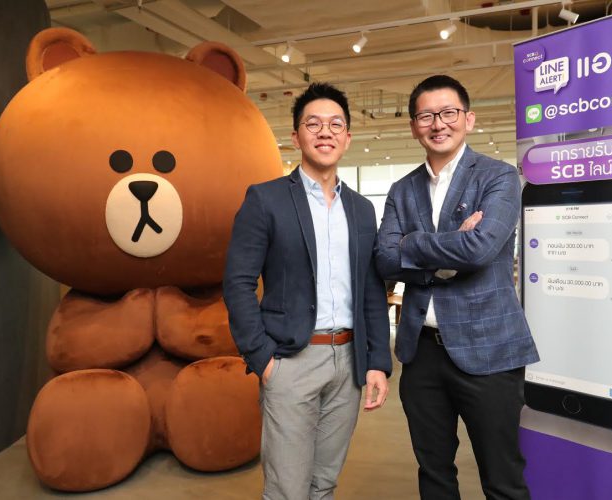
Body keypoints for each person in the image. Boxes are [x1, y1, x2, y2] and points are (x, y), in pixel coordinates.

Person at [223, 82, 392, 499]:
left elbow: (371, 289)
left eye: (335, 124)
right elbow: (238, 283)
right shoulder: (266, 200)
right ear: (296, 136)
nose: (325, 132)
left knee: (324, 482)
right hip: (290, 361)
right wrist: (263, 360)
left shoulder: (361, 209)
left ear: (347, 137)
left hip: (349, 362)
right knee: (288, 488)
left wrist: (377, 362)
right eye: (313, 124)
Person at [375, 74, 538, 500]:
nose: (438, 124)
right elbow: (385, 259)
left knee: (502, 478)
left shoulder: (499, 177)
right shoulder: (402, 189)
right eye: (426, 116)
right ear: (414, 126)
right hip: (421, 352)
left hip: (489, 349)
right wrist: (448, 258)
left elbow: (480, 249)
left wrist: (412, 244)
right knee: (434, 473)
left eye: (448, 112)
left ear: (468, 119)